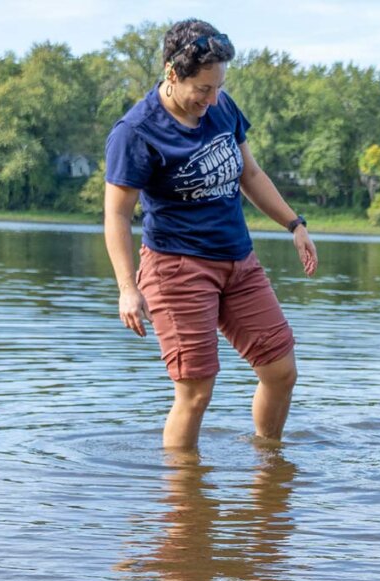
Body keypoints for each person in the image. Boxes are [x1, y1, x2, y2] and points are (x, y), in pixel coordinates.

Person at [104, 19, 317, 449]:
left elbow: (250, 174)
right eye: (203, 88)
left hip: (239, 262)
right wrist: (128, 288)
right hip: (176, 270)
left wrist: (295, 225)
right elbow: (117, 216)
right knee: (196, 391)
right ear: (171, 73)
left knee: (281, 370)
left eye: (218, 86)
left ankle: (267, 465)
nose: (212, 98)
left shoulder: (221, 108)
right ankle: (186, 504)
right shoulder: (136, 133)